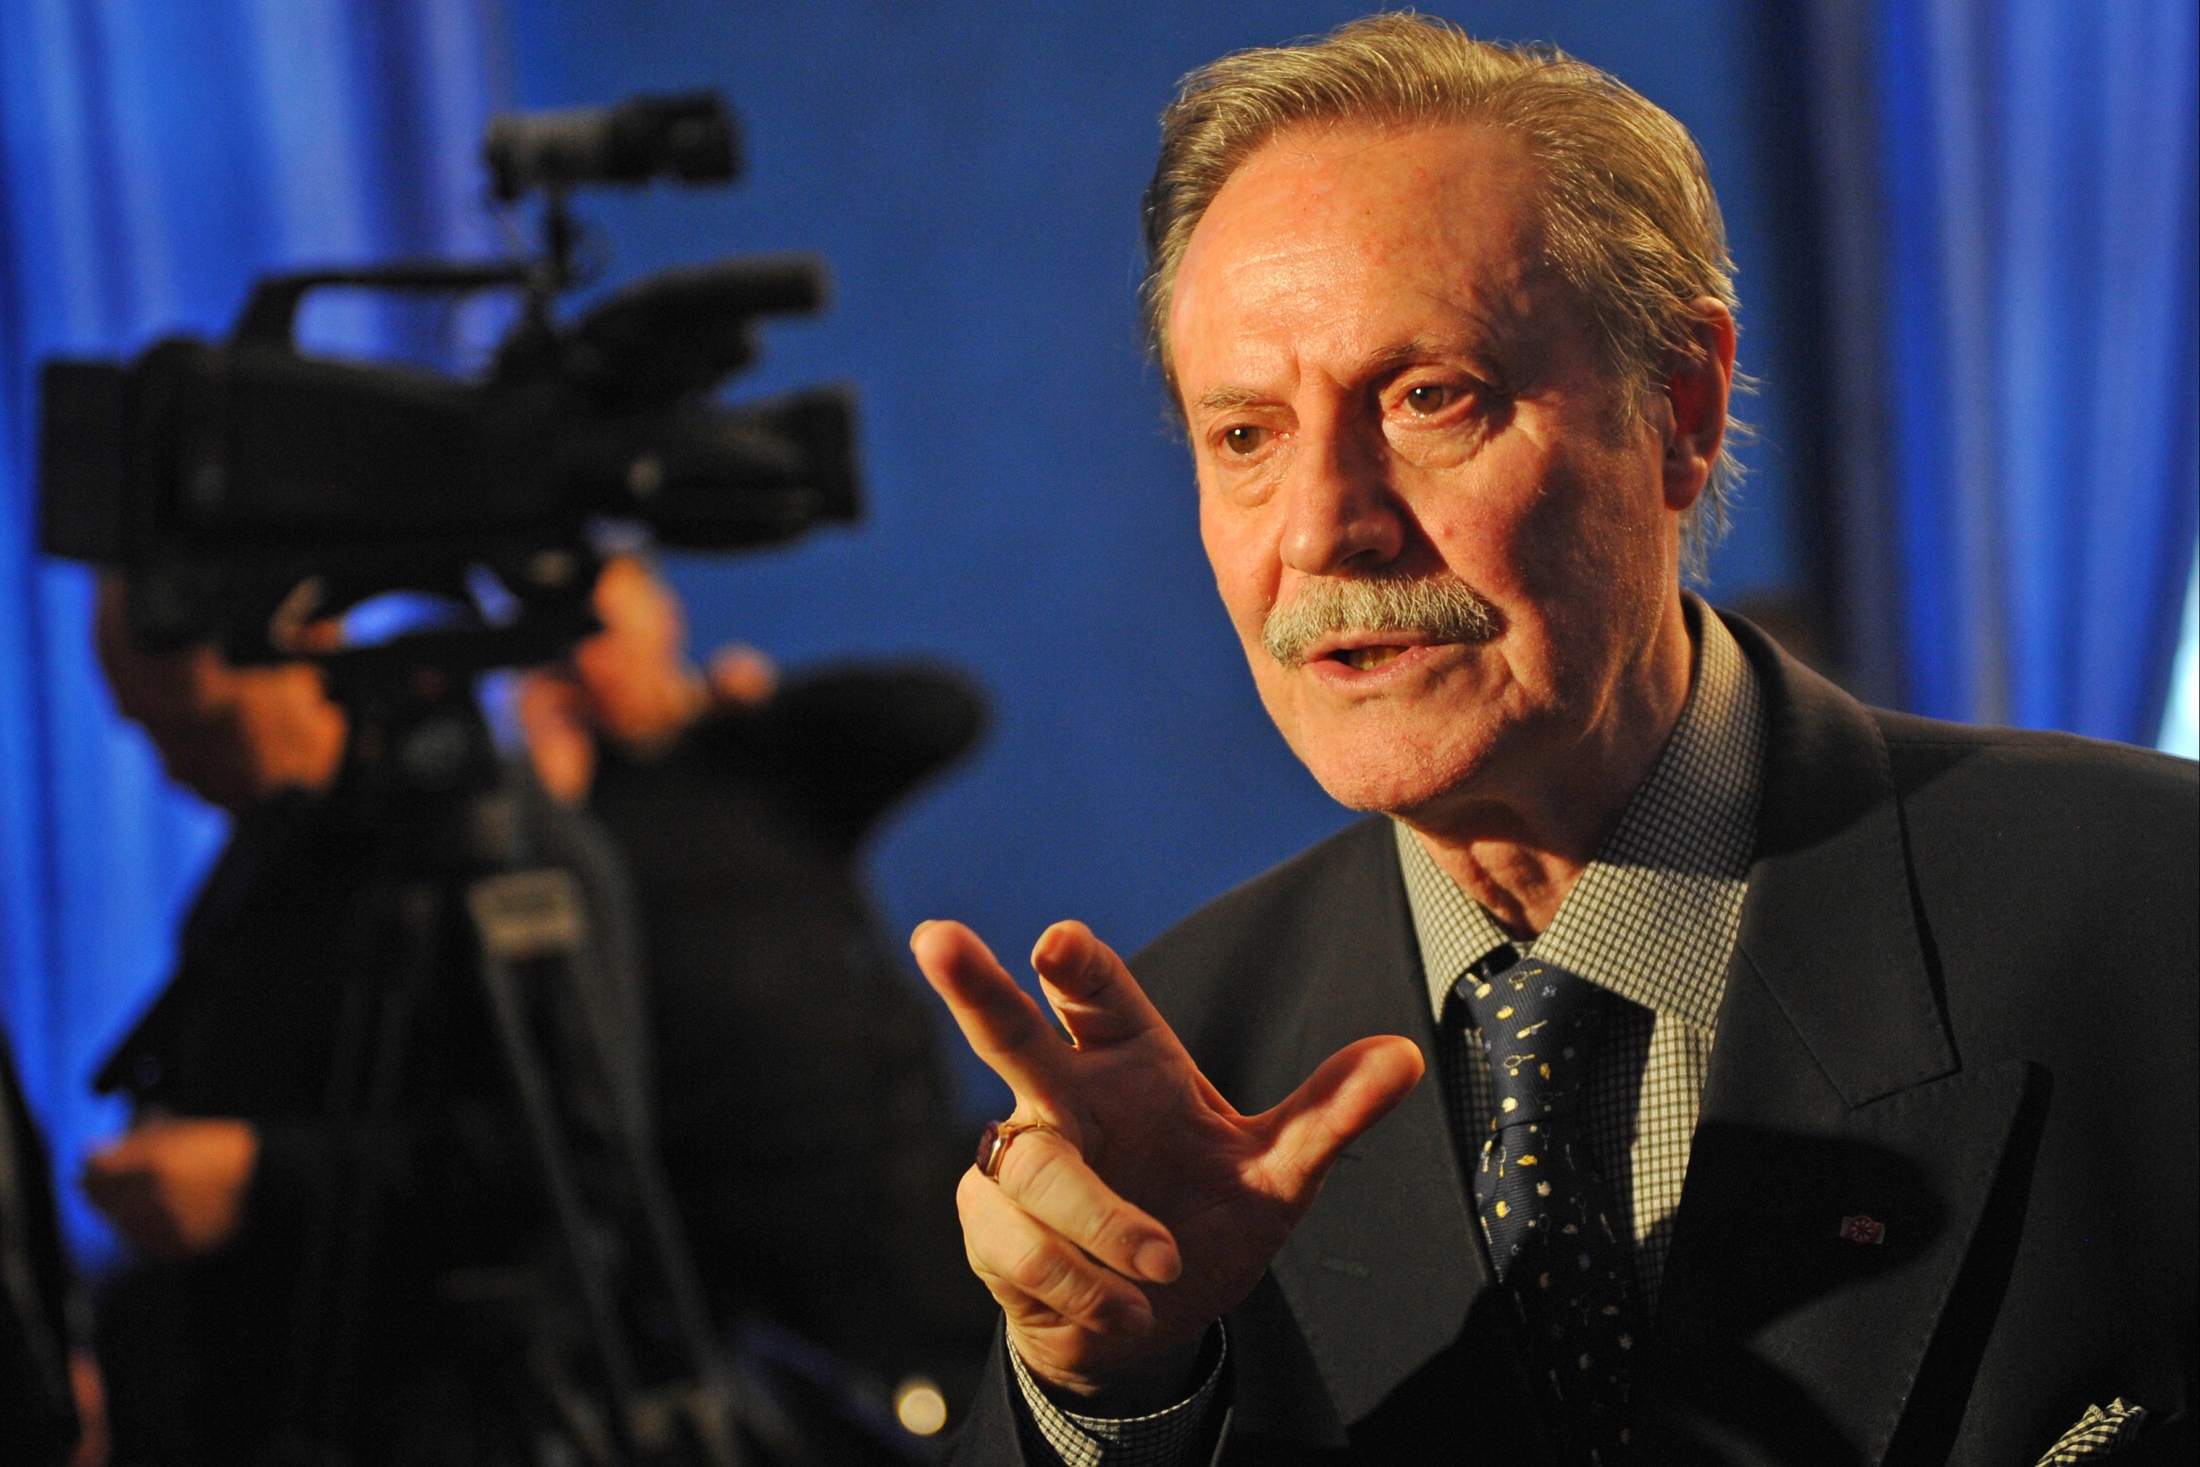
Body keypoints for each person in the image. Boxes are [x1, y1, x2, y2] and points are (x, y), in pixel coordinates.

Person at [909, 17, 2196, 1466]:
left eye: (1427, 397)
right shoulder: (1183, 1067)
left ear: (1681, 410)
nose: (1324, 525)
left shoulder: (2155, 908)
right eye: (1247, 436)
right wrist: (1109, 1393)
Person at [85, 559, 991, 1460]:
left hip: (875, 1225)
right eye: (149, 734)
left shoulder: (712, 777)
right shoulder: (270, 871)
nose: (176, 768)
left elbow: (942, 712)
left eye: (199, 726)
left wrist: (720, 710)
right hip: (723, 1276)